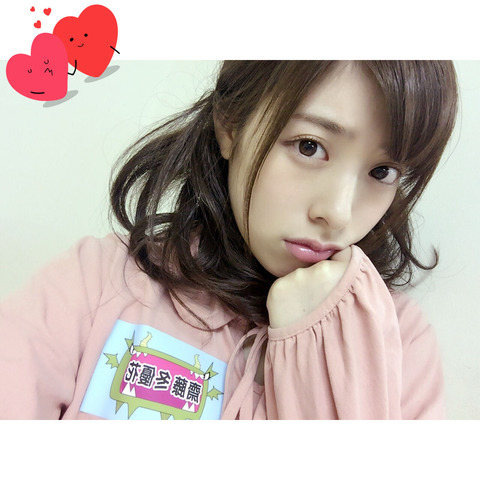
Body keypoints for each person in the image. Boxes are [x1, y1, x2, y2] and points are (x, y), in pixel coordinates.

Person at [0, 61, 458, 419]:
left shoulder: (399, 340)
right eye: (309, 146)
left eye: (382, 171)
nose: (337, 212)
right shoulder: (97, 284)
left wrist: (322, 338)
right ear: (231, 126)